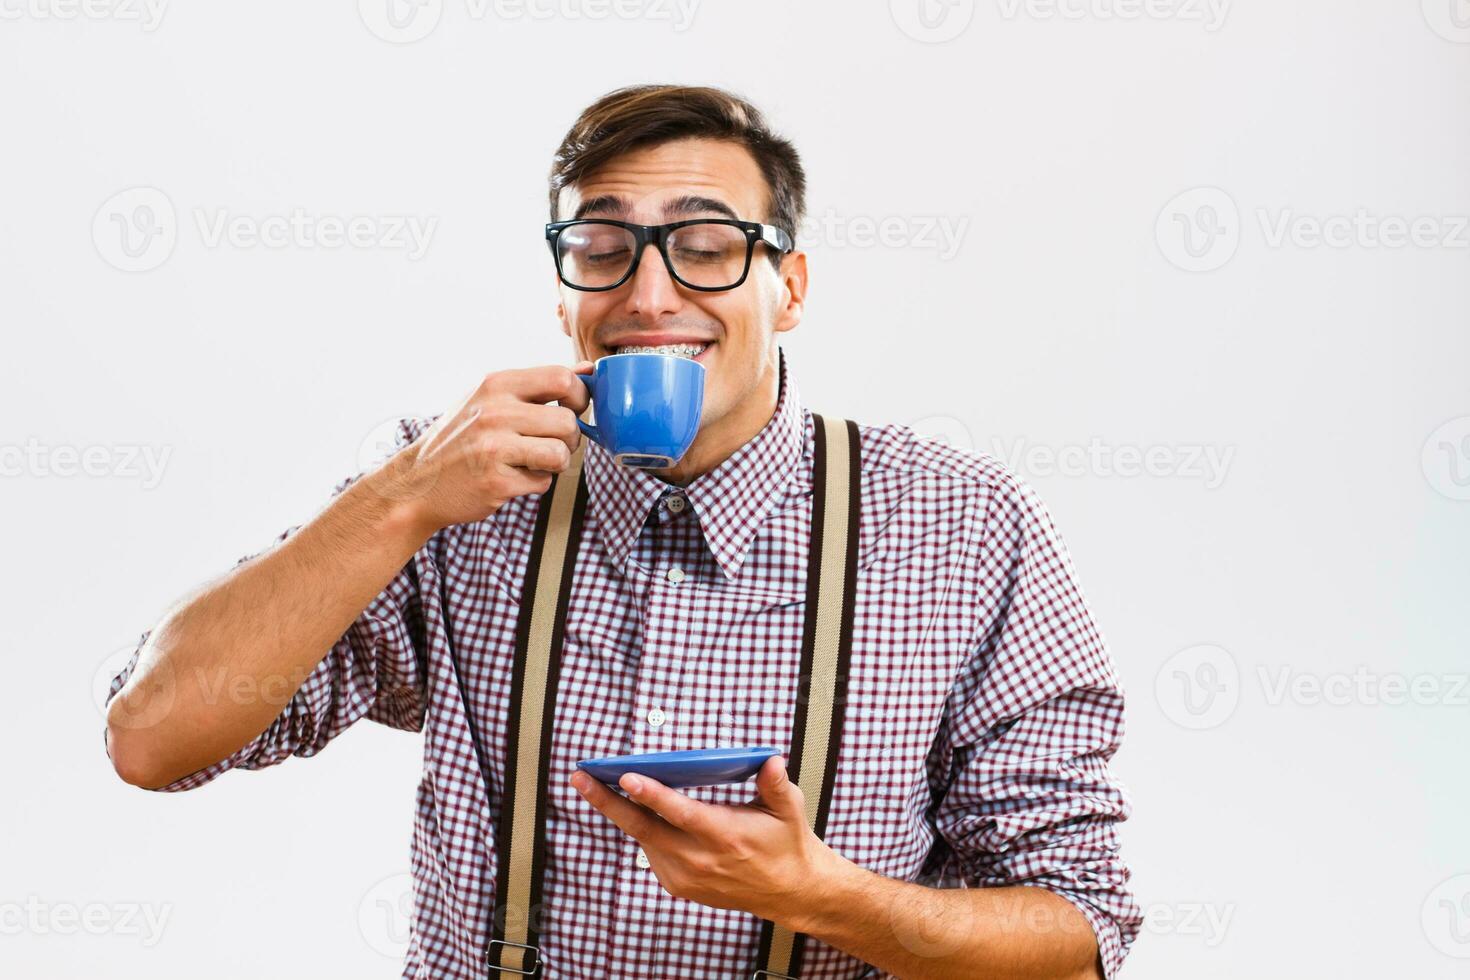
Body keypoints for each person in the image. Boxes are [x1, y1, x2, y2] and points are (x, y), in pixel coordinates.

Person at [104, 83, 1142, 979]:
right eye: (603, 248)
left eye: (706, 246)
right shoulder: (448, 488)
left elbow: (1077, 938)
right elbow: (153, 737)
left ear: (790, 288)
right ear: (564, 294)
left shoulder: (958, 525)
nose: (651, 296)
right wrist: (400, 495)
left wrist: (829, 897)